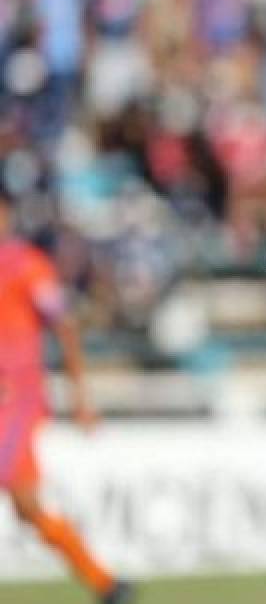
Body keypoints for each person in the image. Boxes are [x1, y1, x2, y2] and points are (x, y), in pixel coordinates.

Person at [0, 191, 133, 603]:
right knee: (27, 510)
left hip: (13, 402)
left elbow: (65, 328)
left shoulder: (26, 265)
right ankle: (105, 584)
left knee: (23, 499)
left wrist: (81, 399)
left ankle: (103, 582)